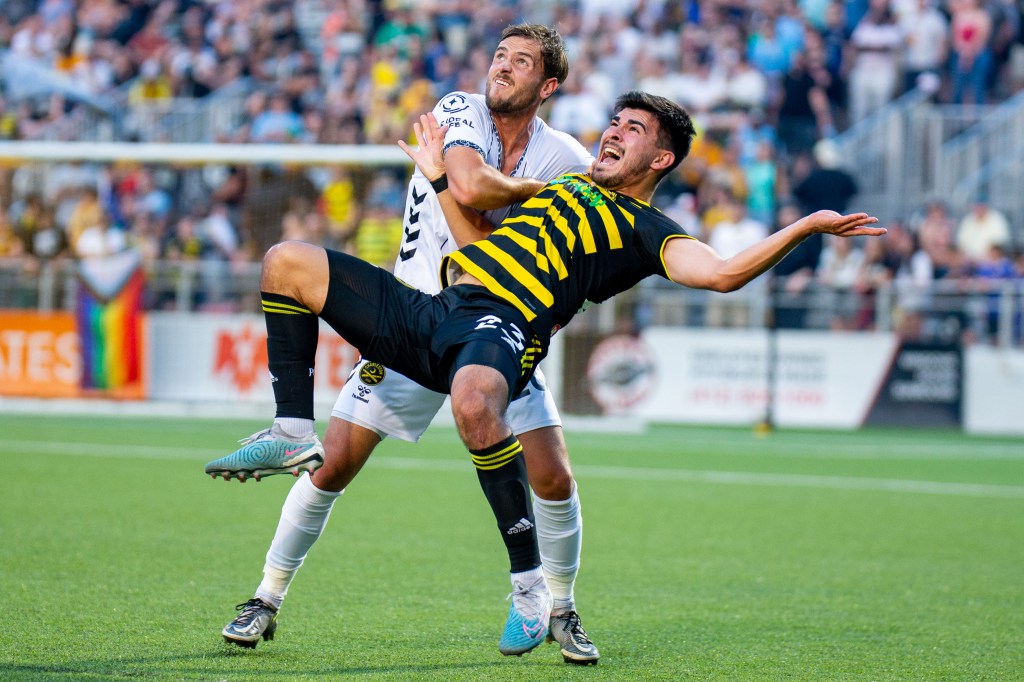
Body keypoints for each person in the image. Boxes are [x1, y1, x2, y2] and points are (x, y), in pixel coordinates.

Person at [208, 89, 884, 660]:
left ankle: (543, 599)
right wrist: (441, 181)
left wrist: (805, 227)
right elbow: (482, 252)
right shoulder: (562, 187)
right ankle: (290, 437)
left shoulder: (648, 230)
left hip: (504, 334)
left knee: (517, 441)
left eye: (634, 130)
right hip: (440, 309)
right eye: (615, 122)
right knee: (286, 263)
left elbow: (724, 272)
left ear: (663, 158)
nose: (614, 132)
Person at [204, 25, 601, 664]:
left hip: (498, 332)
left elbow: (582, 254)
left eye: (521, 62)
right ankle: (266, 597)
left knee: (553, 476)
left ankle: (561, 607)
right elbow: (467, 190)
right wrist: (531, 195)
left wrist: (551, 314)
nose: (502, 67)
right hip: (417, 320)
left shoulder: (568, 158)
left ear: (548, 85)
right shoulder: (458, 110)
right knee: (332, 464)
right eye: (499, 55)